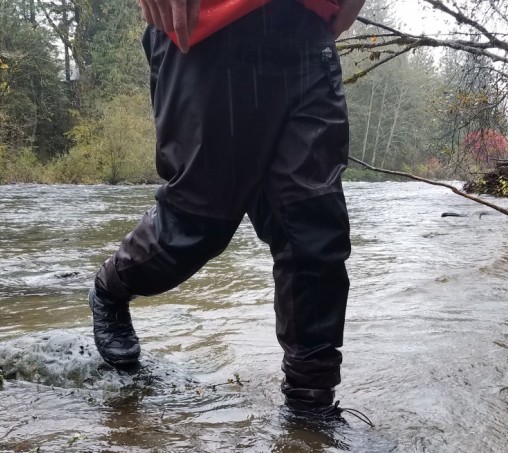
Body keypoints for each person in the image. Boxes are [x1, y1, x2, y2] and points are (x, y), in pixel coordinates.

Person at [89, 0, 366, 423]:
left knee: (314, 228)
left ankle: (311, 406)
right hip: (205, 27)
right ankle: (110, 288)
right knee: (197, 224)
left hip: (308, 33)